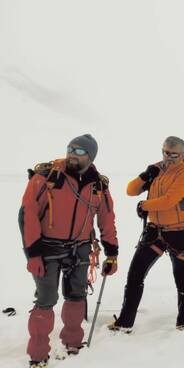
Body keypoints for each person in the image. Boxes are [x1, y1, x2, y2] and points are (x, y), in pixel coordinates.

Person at [20, 134, 119, 367]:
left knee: (77, 295)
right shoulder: (46, 177)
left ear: (91, 156)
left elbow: (107, 220)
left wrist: (112, 252)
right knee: (46, 299)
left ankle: (73, 344)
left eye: (80, 151)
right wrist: (32, 253)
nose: (73, 154)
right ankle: (38, 355)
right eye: (70, 149)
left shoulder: (98, 185)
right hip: (47, 247)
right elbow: (29, 214)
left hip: (81, 248)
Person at [110, 136, 184, 333]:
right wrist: (145, 175)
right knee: (135, 275)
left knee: (182, 278)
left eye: (174, 154)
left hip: (180, 232)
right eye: (166, 152)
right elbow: (131, 190)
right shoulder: (157, 168)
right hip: (155, 231)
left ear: (183, 154)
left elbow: (169, 200)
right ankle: (125, 322)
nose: (169, 157)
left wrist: (144, 205)